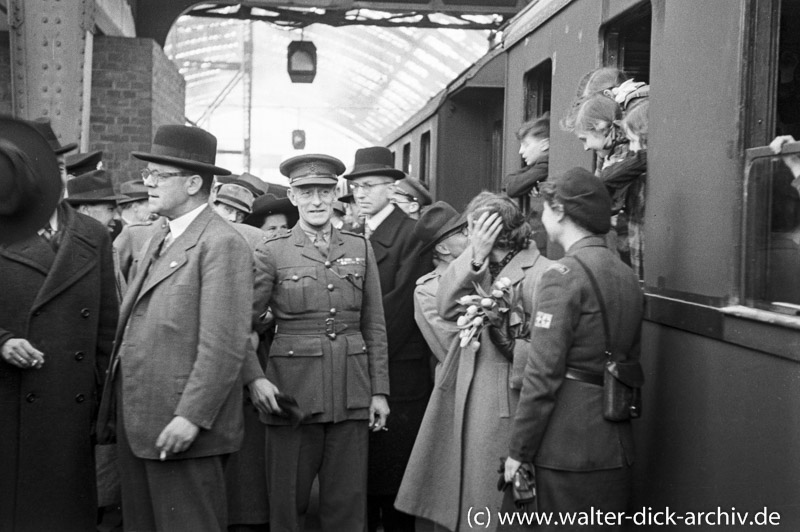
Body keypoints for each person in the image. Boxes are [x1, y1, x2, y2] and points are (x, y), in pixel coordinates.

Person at [96, 124, 253, 532]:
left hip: (181, 430)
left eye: (158, 176)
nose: (147, 183)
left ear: (193, 183)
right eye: (149, 174)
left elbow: (224, 345)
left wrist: (192, 417)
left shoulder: (221, 244)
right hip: (142, 423)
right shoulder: (159, 236)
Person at [396, 192, 551, 531]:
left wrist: (511, 344)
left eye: (472, 231)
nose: (468, 238)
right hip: (474, 398)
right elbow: (448, 306)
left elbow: (548, 352)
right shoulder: (480, 268)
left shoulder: (542, 272)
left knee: (495, 504)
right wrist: (476, 256)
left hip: (507, 399)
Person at [256, 153, 390, 532]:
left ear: (336, 195)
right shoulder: (273, 250)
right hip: (293, 393)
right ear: (293, 197)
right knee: (288, 505)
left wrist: (379, 392)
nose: (316, 201)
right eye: (306, 192)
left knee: (347, 507)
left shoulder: (359, 248)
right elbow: (241, 324)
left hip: (351, 391)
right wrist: (255, 379)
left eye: (325, 191)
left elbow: (373, 325)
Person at [504, 168, 644, 529]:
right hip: (614, 442)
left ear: (561, 211)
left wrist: (518, 452)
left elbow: (542, 376)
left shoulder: (562, 276)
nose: (541, 217)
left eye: (544, 209)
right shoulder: (627, 275)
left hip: (565, 448)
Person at [0, 116, 118, 532]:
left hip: (74, 406)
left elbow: (107, 330)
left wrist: (104, 410)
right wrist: (1, 342)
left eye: (61, 168)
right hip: (11, 402)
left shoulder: (93, 234)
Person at [346, 146, 433, 532]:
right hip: (372, 370)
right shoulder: (359, 233)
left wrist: (358, 354)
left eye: (368, 186)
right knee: (366, 484)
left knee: (394, 491)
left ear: (392, 188)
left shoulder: (410, 234)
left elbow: (397, 311)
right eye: (355, 187)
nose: (359, 194)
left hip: (397, 376)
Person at [410, 201, 469, 369]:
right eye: (461, 231)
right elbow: (450, 348)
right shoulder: (427, 290)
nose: (469, 234)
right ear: (443, 248)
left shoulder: (483, 268)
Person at [598, 98, 649, 280]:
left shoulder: (641, 169)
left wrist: (645, 156)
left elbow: (605, 178)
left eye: (634, 141)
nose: (632, 149)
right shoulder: (639, 171)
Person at [505, 113, 551, 254]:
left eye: (526, 145)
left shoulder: (544, 165)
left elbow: (511, 188)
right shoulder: (536, 167)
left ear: (545, 145)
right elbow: (508, 181)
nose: (521, 151)